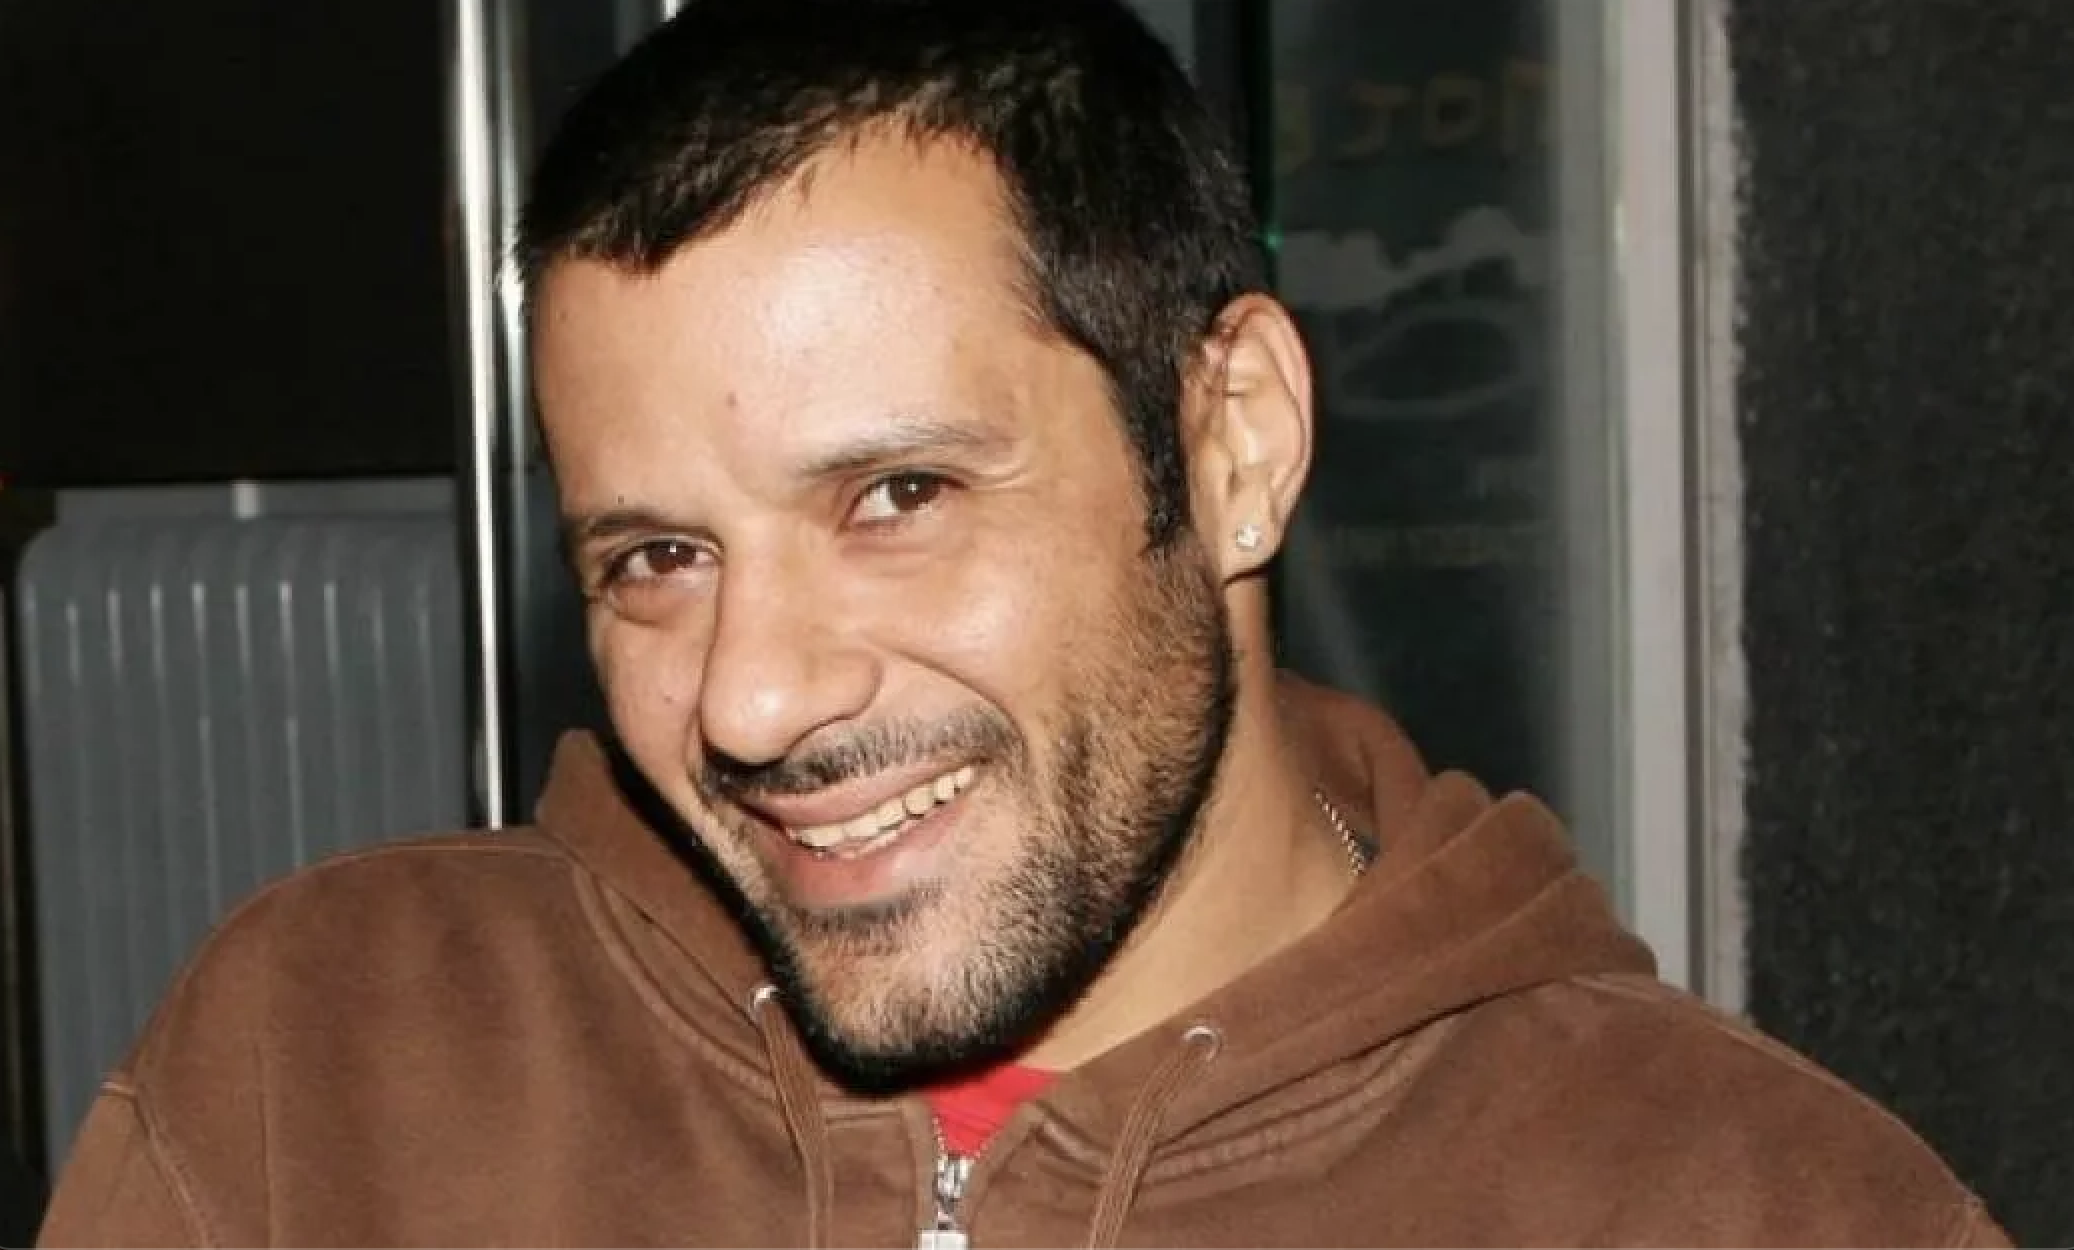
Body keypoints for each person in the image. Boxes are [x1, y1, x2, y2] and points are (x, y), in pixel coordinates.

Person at [39, 1, 2006, 1245]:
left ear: (1229, 443)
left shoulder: (1743, 1206)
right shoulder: (325, 1064)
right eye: (654, 558)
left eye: (895, 496)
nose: (753, 695)